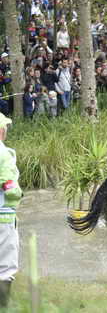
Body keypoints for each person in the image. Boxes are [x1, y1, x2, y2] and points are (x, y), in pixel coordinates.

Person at [0, 113, 23, 308]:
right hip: (3, 215)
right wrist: (16, 194)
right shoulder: (3, 153)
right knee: (6, 262)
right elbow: (9, 186)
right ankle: (3, 304)